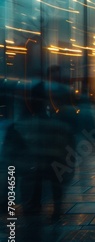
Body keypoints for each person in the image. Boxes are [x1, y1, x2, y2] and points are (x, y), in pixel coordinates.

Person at [2, 66, 75, 219]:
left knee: (32, 188)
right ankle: (56, 208)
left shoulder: (20, 126)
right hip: (51, 166)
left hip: (32, 169)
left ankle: (33, 208)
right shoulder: (58, 125)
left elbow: (11, 155)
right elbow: (69, 149)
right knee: (54, 181)